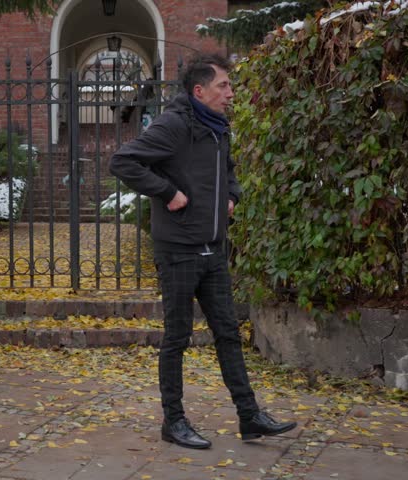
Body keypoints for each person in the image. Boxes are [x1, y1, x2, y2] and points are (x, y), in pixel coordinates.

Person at [109, 53, 298, 449]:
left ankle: (249, 417)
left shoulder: (217, 128)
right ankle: (173, 422)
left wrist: (231, 194)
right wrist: (168, 193)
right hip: (178, 250)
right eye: (223, 86)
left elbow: (228, 170)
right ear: (200, 91)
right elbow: (123, 161)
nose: (230, 92)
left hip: (213, 248)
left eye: (229, 86)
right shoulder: (174, 125)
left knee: (228, 334)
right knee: (177, 338)